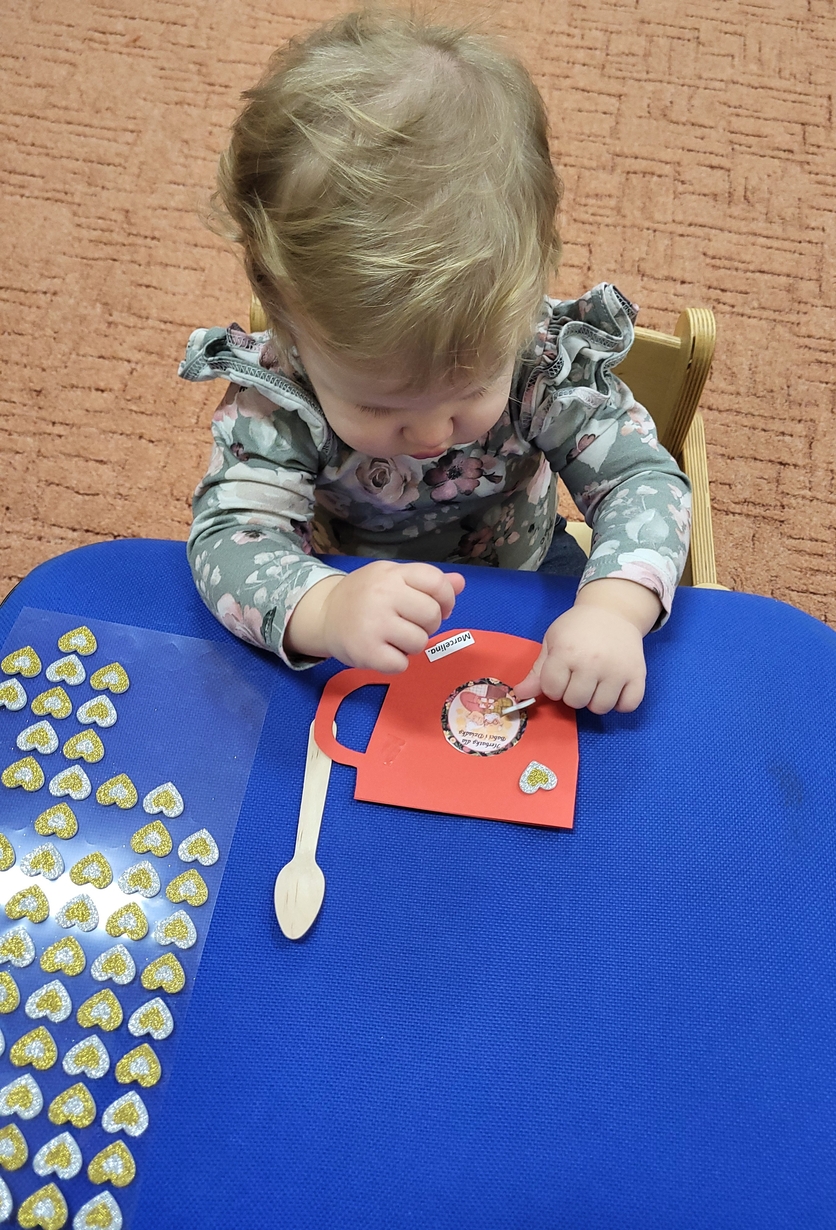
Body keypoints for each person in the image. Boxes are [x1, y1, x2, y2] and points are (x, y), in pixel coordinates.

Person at [181, 8, 691, 716]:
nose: (429, 434)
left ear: (527, 292)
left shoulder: (538, 364)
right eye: (377, 404)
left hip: (526, 570)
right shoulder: (281, 398)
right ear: (293, 330)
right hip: (344, 589)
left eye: (470, 389)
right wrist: (323, 606)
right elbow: (228, 538)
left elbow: (641, 479)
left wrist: (614, 608)